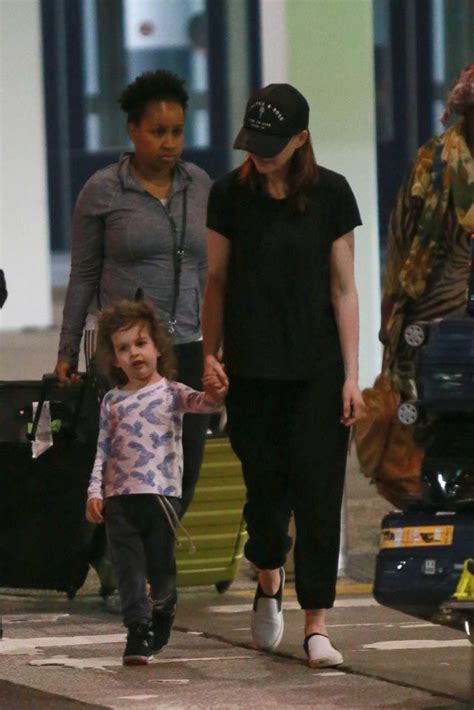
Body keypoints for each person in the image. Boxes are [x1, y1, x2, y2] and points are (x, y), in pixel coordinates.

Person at [201, 83, 364, 668]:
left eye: (273, 143)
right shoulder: (228, 196)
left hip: (319, 368)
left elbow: (344, 289)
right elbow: (216, 281)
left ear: (301, 139)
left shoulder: (332, 194)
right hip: (253, 368)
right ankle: (267, 575)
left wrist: (352, 374)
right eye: (253, 142)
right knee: (266, 498)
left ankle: (316, 623)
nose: (261, 152)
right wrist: (210, 354)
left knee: (320, 495)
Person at [55, 69, 211, 514]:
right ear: (133, 130)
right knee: (130, 470)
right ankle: (132, 568)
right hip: (126, 353)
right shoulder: (103, 191)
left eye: (177, 132)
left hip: (189, 348)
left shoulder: (199, 186)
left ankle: (153, 566)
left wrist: (221, 343)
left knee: (185, 466)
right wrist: (67, 351)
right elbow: (83, 274)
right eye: (158, 131)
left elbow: (210, 270)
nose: (169, 143)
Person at [86, 300, 226, 665]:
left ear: (158, 347)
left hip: (161, 499)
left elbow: (205, 405)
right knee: (128, 571)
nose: (134, 353)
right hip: (119, 501)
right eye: (123, 348)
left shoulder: (172, 392)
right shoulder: (112, 402)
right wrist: (95, 491)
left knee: (161, 571)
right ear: (114, 359)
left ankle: (164, 606)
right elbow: (102, 450)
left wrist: (217, 391)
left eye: (141, 343)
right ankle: (136, 631)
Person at [380, 63, 474, 398]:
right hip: (435, 321)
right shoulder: (433, 160)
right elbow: (401, 242)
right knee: (433, 434)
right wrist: (389, 317)